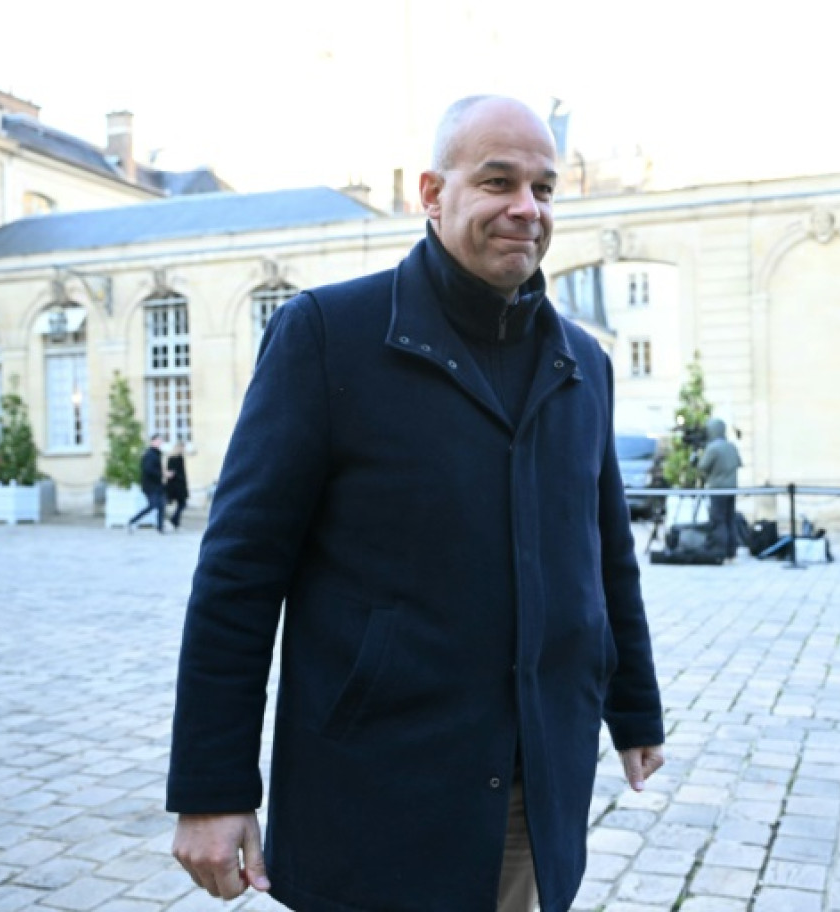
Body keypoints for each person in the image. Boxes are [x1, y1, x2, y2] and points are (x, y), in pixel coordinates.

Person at [167, 95, 665, 912]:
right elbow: (239, 577)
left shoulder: (585, 361)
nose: (526, 209)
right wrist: (212, 788)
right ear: (431, 193)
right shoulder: (327, 335)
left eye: (544, 189)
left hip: (535, 777)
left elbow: (605, 551)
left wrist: (634, 708)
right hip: (376, 783)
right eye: (497, 181)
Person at [699, 417, 742, 560]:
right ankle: (732, 550)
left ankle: (720, 550)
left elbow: (702, 466)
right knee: (730, 519)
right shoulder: (731, 446)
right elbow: (739, 463)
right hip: (732, 488)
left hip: (717, 488)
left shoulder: (713, 448)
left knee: (718, 520)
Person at [127, 434, 165, 533]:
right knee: (153, 505)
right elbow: (148, 470)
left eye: (160, 441)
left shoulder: (156, 453)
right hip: (150, 485)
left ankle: (160, 527)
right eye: (158, 440)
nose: (160, 443)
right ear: (153, 441)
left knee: (161, 505)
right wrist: (162, 474)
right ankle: (132, 521)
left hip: (157, 484)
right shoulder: (150, 454)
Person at [164, 441, 188, 531]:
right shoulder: (174, 458)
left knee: (182, 504)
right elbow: (172, 472)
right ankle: (173, 521)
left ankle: (175, 522)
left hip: (179, 484)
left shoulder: (179, 457)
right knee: (182, 504)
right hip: (176, 485)